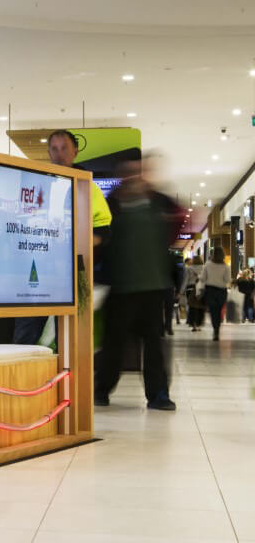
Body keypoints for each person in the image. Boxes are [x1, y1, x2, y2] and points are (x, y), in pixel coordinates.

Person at [8, 129, 113, 345]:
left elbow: (103, 229)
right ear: (48, 152)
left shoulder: (87, 186)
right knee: (25, 334)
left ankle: (69, 378)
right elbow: (19, 222)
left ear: (74, 151)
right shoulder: (35, 184)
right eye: (54, 149)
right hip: (35, 271)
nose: (59, 154)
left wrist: (77, 248)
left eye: (64, 148)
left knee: (71, 338)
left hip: (73, 272)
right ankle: (23, 378)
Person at [95, 157, 181, 410]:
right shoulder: (112, 203)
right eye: (129, 172)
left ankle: (158, 395)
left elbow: (177, 223)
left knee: (154, 345)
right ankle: (101, 390)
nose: (135, 177)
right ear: (122, 176)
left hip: (153, 287)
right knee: (113, 344)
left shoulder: (159, 202)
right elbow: (100, 237)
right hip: (120, 288)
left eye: (138, 172)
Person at [202, 246, 231, 341]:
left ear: (213, 254)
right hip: (221, 291)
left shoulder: (207, 265)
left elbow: (203, 278)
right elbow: (228, 280)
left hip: (210, 290)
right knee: (218, 311)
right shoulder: (226, 267)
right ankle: (217, 329)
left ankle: (215, 329)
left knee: (212, 311)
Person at [183, 256, 205, 331]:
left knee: (192, 306)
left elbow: (185, 280)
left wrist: (181, 291)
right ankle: (199, 324)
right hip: (201, 289)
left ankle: (193, 324)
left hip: (190, 288)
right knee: (201, 306)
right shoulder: (204, 268)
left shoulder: (188, 268)